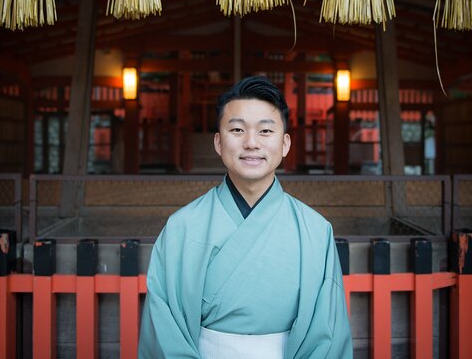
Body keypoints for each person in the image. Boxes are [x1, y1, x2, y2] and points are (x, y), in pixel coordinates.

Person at [139, 76, 353, 359]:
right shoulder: (182, 227)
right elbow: (165, 332)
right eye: (237, 129)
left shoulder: (315, 230)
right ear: (218, 142)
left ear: (285, 144)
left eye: (265, 131)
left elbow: (327, 334)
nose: (251, 143)